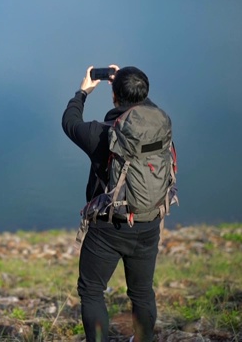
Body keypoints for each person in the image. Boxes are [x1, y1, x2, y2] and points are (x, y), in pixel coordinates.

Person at [62, 65, 168, 342]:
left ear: (114, 97)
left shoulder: (101, 134)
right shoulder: (161, 123)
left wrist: (83, 91)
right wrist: (128, 85)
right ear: (144, 94)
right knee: (142, 292)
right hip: (149, 221)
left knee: (92, 290)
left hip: (108, 229)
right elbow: (143, 106)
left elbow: (70, 122)